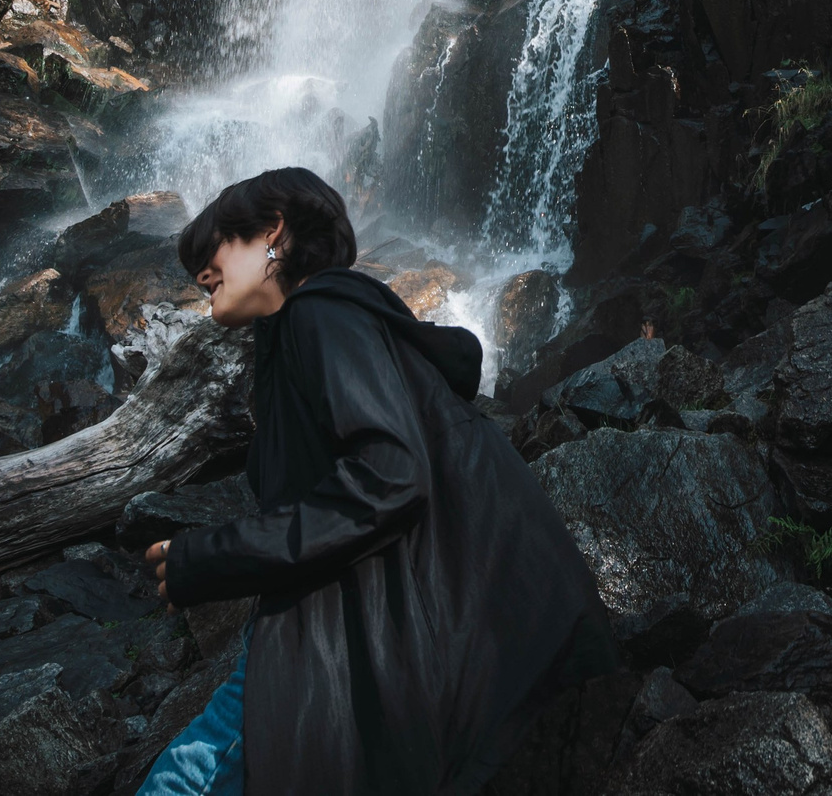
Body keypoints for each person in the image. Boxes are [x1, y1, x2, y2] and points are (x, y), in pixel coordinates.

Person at [136, 168, 614, 796]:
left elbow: (391, 474)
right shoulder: (323, 329)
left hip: (342, 637)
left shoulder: (323, 314)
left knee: (181, 783)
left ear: (273, 233)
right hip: (381, 641)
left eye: (216, 246)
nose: (200, 271)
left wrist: (213, 558)